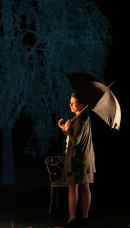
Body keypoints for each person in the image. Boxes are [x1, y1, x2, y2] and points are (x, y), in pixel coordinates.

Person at [59, 93, 96, 227]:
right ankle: (84, 218)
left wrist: (68, 130)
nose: (71, 105)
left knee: (73, 188)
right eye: (70, 102)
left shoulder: (80, 119)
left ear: (82, 105)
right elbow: (74, 135)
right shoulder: (82, 117)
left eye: (74, 103)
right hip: (86, 159)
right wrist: (67, 129)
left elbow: (76, 141)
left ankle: (72, 218)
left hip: (77, 160)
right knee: (85, 187)